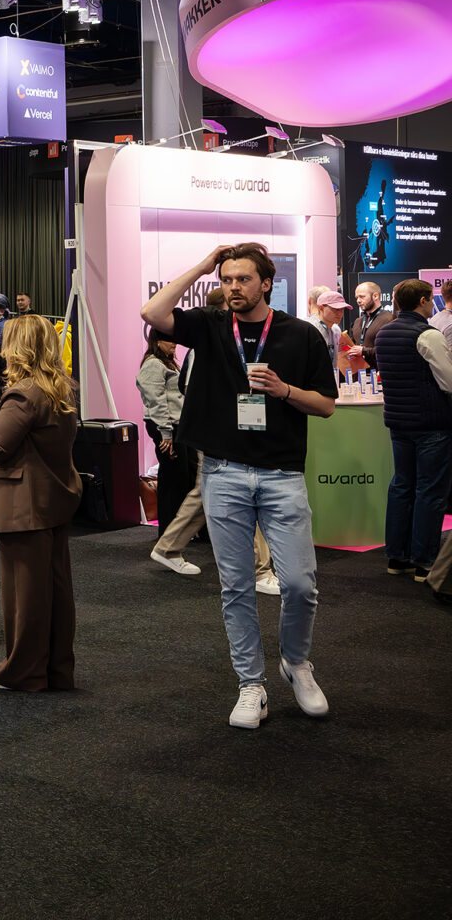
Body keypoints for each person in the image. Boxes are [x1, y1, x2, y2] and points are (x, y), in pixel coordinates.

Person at [141, 243, 336, 730]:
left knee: (300, 584)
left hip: (282, 474)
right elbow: (152, 312)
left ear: (266, 283)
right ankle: (251, 684)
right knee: (237, 586)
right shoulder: (209, 326)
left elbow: (325, 405)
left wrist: (284, 390)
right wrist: (203, 266)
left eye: (243, 279)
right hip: (223, 472)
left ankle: (297, 663)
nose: (233, 287)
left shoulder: (300, 334)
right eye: (226, 279)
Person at [0, 315, 82, 691]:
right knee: (55, 591)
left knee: (25, 595)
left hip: (24, 506)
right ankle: (56, 669)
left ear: (20, 349)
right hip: (51, 500)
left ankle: (24, 671)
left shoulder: (24, 393)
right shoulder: (59, 387)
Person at [149, 291, 279, 588]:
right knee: (249, 489)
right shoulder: (209, 340)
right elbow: (191, 388)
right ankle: (260, 571)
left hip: (223, 429)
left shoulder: (219, 342)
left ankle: (168, 547)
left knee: (204, 491)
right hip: (219, 432)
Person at [374, 279, 452, 582]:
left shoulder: (384, 333)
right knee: (430, 491)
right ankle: (424, 561)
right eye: (430, 298)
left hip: (399, 422)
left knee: (402, 486)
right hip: (431, 423)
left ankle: (397, 557)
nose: (433, 303)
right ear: (422, 300)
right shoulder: (427, 335)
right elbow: (448, 382)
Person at [138, 327, 197, 575]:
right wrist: (165, 433)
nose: (175, 344)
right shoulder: (153, 364)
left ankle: (176, 534)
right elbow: (156, 400)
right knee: (173, 480)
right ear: (157, 340)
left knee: (183, 478)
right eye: (170, 340)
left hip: (177, 426)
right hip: (167, 426)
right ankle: (167, 537)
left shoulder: (167, 362)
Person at [349, 282, 393, 372]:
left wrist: (364, 351)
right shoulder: (357, 321)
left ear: (375, 296)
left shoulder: (390, 319)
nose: (358, 301)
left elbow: (391, 350)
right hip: (359, 374)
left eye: (362, 297)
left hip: (380, 374)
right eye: (357, 297)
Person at [311, 290, 355, 371]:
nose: (340, 313)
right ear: (321, 308)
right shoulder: (309, 327)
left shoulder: (336, 330)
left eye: (342, 309)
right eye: (335, 309)